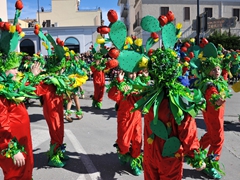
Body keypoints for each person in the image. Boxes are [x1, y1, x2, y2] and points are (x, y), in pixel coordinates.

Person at [0, 52, 41, 180]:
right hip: (12, 146)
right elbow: (1, 126)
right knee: (15, 175)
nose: (17, 72)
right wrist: (12, 149)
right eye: (13, 69)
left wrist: (33, 75)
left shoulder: (11, 87)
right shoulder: (1, 94)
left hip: (22, 141)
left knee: (25, 172)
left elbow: (22, 86)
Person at [198, 57, 231, 179]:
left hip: (216, 117)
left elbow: (224, 78)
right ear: (207, 72)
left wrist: (227, 67)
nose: (217, 71)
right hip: (214, 117)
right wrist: (218, 100)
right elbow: (213, 95)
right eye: (213, 69)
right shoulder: (209, 85)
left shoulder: (219, 81)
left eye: (218, 68)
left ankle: (197, 150)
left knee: (211, 135)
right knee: (218, 139)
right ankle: (210, 165)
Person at [107, 70, 144, 176]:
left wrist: (145, 80)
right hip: (124, 118)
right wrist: (119, 82)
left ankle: (135, 163)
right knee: (123, 143)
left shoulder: (139, 84)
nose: (133, 75)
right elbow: (112, 95)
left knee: (137, 141)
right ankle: (123, 154)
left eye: (134, 73)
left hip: (136, 118)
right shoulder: (122, 84)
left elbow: (145, 98)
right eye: (130, 73)